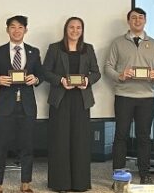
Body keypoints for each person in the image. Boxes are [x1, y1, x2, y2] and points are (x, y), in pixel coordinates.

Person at [104, 7, 154, 184]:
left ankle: (145, 174)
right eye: (134, 18)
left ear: (145, 21)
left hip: (146, 97)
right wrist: (120, 75)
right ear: (128, 21)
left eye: (141, 18)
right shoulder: (117, 43)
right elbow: (108, 67)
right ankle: (118, 174)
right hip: (124, 95)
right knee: (121, 135)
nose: (137, 20)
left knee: (144, 137)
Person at [0, 15, 44, 193]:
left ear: (26, 30)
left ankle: (26, 183)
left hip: (27, 106)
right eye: (13, 27)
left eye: (20, 27)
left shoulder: (34, 51)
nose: (16, 30)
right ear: (7, 30)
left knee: (27, 145)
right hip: (5, 105)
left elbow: (40, 74)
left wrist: (36, 79)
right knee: (1, 145)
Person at [43, 17, 101, 192]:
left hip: (81, 99)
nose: (75, 31)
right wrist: (60, 80)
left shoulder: (88, 49)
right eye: (71, 27)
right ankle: (60, 183)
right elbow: (45, 72)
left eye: (78, 28)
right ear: (65, 29)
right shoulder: (55, 48)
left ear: (82, 30)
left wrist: (87, 81)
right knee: (60, 141)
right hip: (60, 99)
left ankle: (80, 183)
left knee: (80, 141)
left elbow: (96, 73)